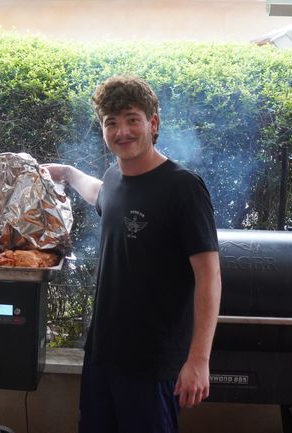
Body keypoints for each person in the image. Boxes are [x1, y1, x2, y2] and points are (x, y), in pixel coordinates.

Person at [43, 75, 221, 433]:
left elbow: (209, 277)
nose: (122, 131)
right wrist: (68, 173)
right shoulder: (114, 178)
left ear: (152, 123)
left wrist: (199, 360)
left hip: (152, 364)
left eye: (132, 119)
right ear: (103, 129)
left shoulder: (182, 187)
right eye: (111, 122)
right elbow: (100, 194)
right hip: (102, 355)